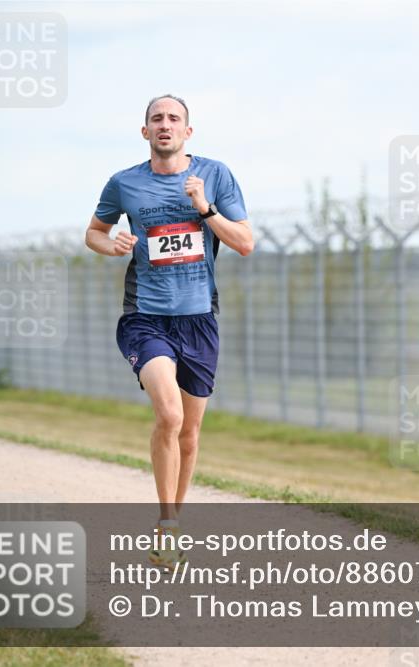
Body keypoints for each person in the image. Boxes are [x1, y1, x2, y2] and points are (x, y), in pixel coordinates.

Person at [84, 94, 253, 568]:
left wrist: (204, 209)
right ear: (145, 132)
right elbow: (92, 233)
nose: (165, 125)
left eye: (173, 119)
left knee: (191, 433)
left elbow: (245, 243)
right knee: (170, 415)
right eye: (156, 119)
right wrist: (111, 243)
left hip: (199, 318)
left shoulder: (215, 176)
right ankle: (165, 522)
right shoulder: (124, 183)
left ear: (187, 131)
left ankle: (174, 518)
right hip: (145, 318)